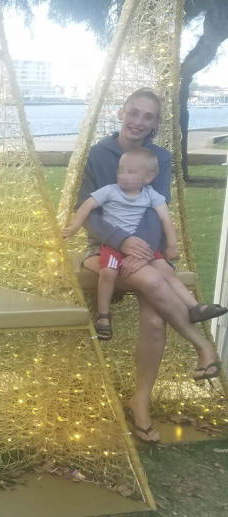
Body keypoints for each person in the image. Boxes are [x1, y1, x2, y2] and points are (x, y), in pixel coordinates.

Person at [75, 88, 223, 444]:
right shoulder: (99, 154)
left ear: (156, 124)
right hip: (106, 249)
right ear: (121, 112)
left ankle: (139, 403)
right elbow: (88, 210)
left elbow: (157, 210)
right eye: (135, 113)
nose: (139, 121)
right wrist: (121, 242)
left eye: (149, 117)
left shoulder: (161, 157)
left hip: (146, 251)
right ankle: (203, 348)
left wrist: (140, 249)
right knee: (157, 288)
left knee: (156, 317)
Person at [64, 147, 225, 341]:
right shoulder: (110, 191)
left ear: (148, 177)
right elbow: (87, 205)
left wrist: (172, 246)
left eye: (130, 172)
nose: (122, 175)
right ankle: (104, 316)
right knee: (108, 272)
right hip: (115, 247)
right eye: (120, 170)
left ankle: (194, 307)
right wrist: (74, 227)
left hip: (143, 248)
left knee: (167, 272)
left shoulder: (151, 195)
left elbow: (165, 219)